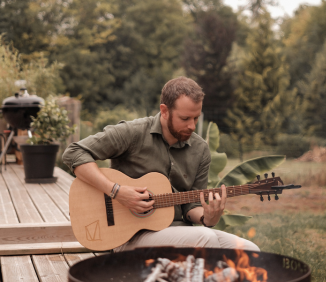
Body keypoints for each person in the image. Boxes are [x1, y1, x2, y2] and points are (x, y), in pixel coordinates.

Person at [63, 77, 259, 252]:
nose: (192, 125)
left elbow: (191, 206)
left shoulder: (200, 150)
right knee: (204, 238)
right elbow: (74, 153)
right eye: (185, 118)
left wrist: (208, 218)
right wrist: (116, 191)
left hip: (180, 233)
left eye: (196, 118)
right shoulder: (133, 133)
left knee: (250, 250)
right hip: (128, 236)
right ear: (164, 111)